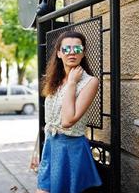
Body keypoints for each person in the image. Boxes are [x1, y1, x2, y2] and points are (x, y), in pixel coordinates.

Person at [36, 31, 102, 193]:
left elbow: (67, 121)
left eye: (77, 49)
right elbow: (49, 119)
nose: (71, 52)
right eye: (66, 49)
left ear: (83, 52)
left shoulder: (90, 82)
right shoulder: (55, 81)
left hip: (71, 150)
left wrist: (72, 83)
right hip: (51, 145)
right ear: (59, 53)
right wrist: (36, 148)